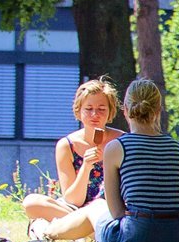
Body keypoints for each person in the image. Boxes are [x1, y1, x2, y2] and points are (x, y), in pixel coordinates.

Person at [96, 78, 179, 242]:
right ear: (158, 110)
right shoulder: (175, 146)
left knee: (101, 220)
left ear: (126, 110)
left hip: (138, 241)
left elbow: (117, 212)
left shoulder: (116, 147)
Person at [22, 78, 121, 226]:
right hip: (73, 208)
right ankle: (87, 226)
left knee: (102, 211)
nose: (95, 114)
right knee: (32, 203)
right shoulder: (67, 145)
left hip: (109, 209)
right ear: (79, 110)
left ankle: (77, 228)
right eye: (88, 109)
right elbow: (73, 200)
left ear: (110, 111)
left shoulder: (123, 141)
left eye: (101, 109)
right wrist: (86, 166)